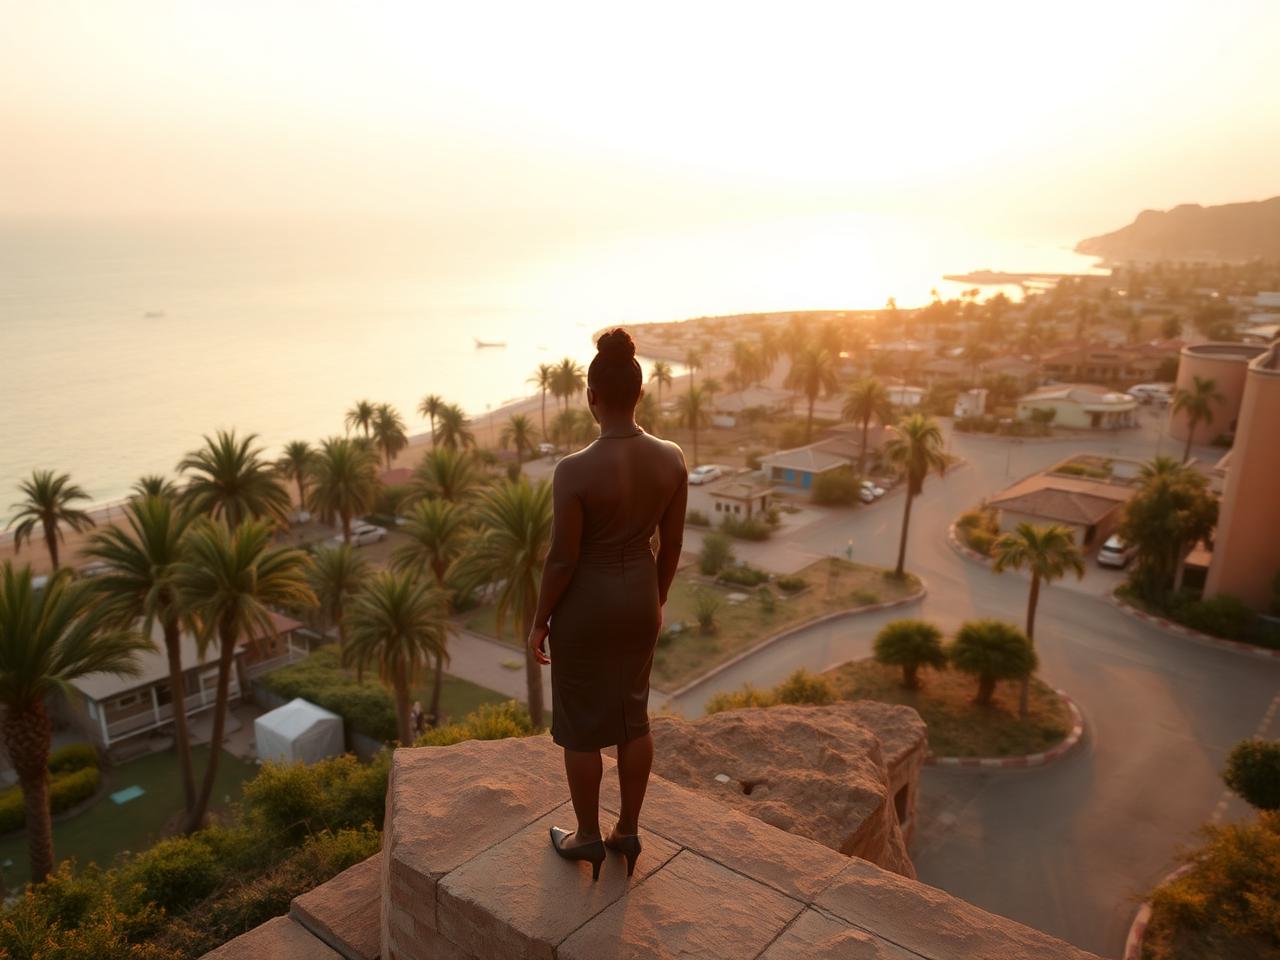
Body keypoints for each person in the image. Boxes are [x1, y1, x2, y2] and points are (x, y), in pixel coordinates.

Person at [528, 328, 687, 882]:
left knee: (580, 727)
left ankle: (588, 837)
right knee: (632, 718)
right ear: (639, 394)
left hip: (586, 607)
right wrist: (657, 599)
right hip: (640, 597)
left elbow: (563, 560)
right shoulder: (671, 459)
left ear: (591, 397)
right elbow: (672, 546)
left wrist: (540, 619)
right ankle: (629, 830)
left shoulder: (572, 470)